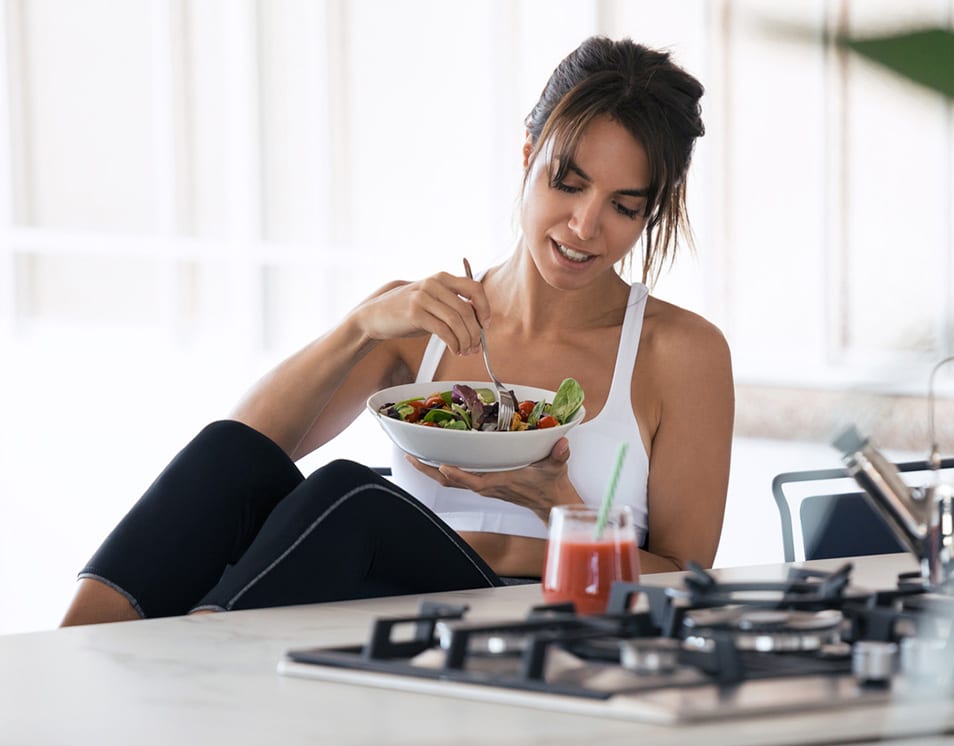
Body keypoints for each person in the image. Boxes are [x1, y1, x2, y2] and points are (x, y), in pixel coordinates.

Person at [60, 35, 734, 626]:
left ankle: (197, 665)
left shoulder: (679, 353)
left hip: (542, 611)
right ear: (528, 155)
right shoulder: (422, 321)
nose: (586, 227)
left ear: (653, 210)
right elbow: (242, 457)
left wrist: (558, 505)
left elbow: (686, 575)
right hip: (388, 605)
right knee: (226, 456)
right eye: (568, 183)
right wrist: (360, 326)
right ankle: (75, 663)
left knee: (352, 496)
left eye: (623, 205)